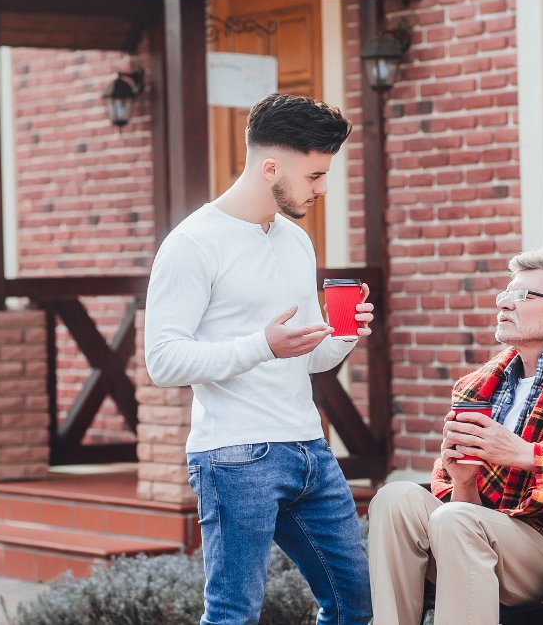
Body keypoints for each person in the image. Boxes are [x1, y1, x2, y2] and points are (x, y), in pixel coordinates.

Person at [144, 93, 374, 625]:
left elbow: (304, 359)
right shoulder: (192, 244)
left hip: (309, 451)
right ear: (270, 166)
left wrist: (341, 338)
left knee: (353, 604)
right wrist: (261, 345)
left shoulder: (296, 240)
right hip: (234, 456)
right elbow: (162, 361)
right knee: (233, 614)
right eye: (314, 176)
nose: (322, 189)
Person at [367, 246, 543, 625]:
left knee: (457, 520)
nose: (505, 304)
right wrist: (463, 481)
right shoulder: (478, 387)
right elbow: (468, 507)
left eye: (524, 296)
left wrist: (529, 455)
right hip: (481, 529)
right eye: (506, 293)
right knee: (395, 498)